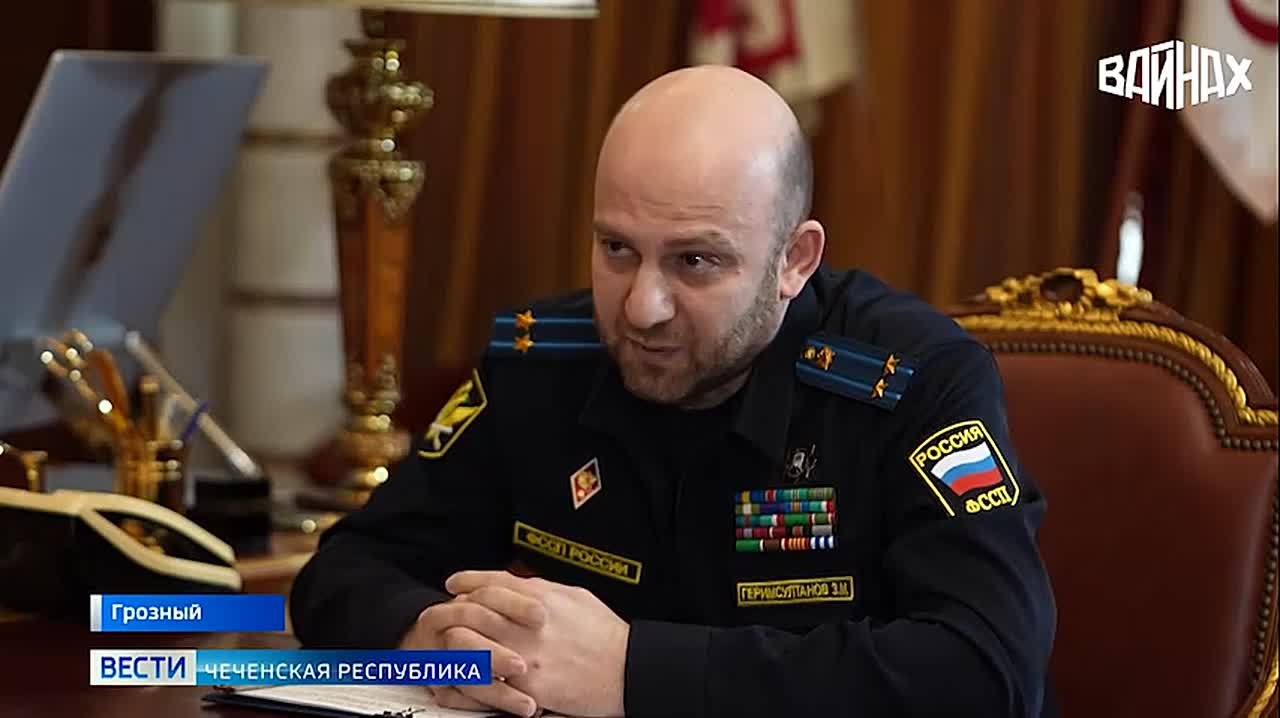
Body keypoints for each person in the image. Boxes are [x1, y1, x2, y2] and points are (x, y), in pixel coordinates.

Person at [290, 65, 1057, 718]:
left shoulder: (914, 383)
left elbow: (988, 668)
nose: (641, 307)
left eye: (694, 261)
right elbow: (343, 569)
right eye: (617, 249)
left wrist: (633, 671)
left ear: (794, 260)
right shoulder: (542, 365)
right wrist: (426, 636)